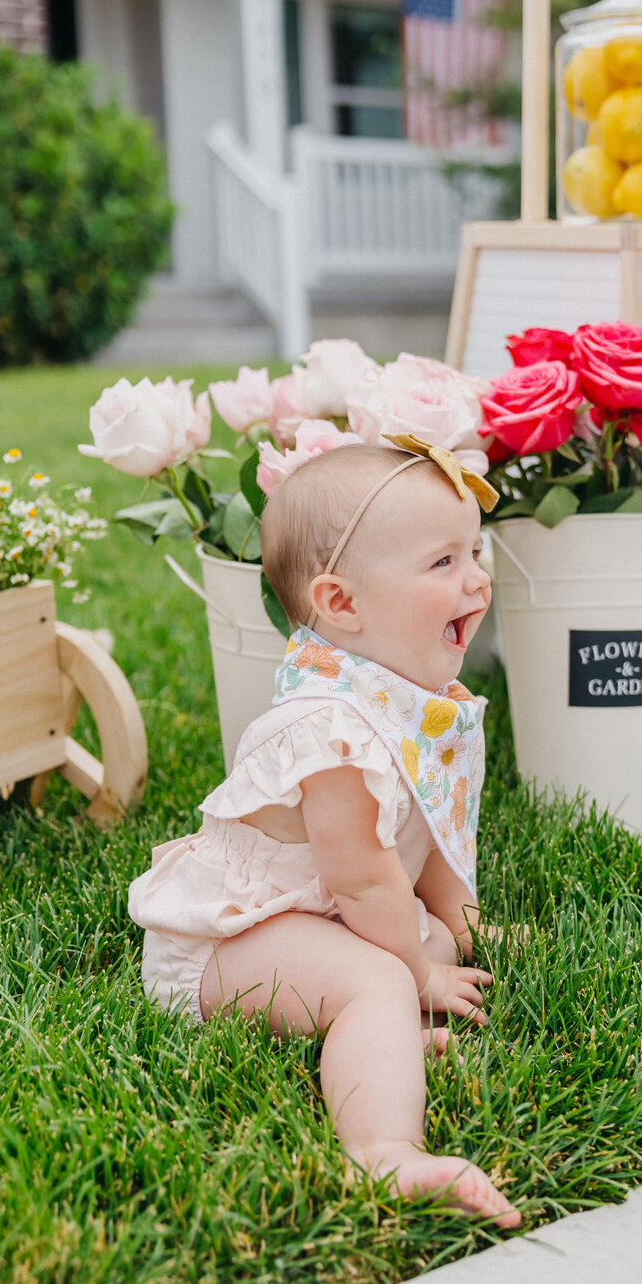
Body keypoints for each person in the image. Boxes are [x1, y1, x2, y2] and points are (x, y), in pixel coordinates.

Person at [128, 438, 520, 1228]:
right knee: (385, 976)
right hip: (231, 940)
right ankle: (385, 1151)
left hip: (316, 915)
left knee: (429, 942)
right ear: (341, 604)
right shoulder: (330, 728)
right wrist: (416, 978)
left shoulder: (410, 697)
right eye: (443, 562)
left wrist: (463, 929)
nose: (476, 578)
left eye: (474, 553)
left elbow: (431, 834)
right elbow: (364, 882)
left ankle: (379, 1041)